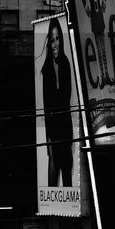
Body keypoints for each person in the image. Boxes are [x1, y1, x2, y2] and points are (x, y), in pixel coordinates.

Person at [39, 16, 75, 188]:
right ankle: (53, 201)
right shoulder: (46, 69)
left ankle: (67, 195)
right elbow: (46, 105)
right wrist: (48, 136)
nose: (55, 44)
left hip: (65, 124)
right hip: (52, 125)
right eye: (52, 40)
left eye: (57, 38)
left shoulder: (66, 63)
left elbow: (67, 96)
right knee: (54, 163)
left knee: (66, 165)